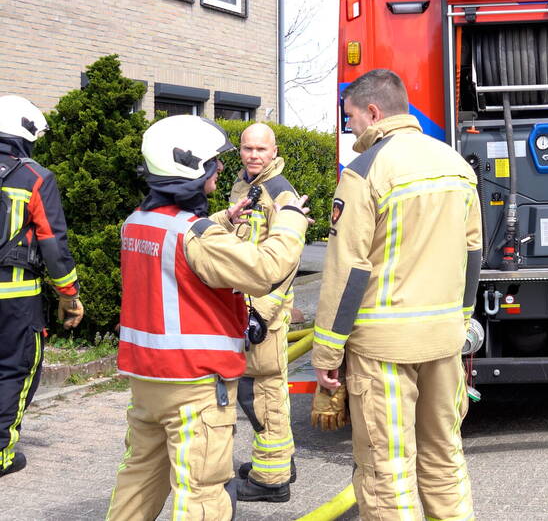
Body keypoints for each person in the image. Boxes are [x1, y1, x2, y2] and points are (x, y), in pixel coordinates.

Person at [106, 115, 310, 520]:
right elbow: (267, 269)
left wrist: (221, 219)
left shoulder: (138, 222)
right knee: (201, 491)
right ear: (191, 169)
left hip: (147, 382)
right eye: (212, 162)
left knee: (139, 480)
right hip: (194, 387)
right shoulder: (197, 237)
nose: (220, 167)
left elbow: (180, 238)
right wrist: (291, 217)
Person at [312, 69, 482, 520]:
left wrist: (327, 353)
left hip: (383, 347)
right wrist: (460, 322)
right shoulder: (456, 165)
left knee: (387, 470)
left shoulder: (364, 172)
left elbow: (347, 269)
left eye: (350, 119)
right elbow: (472, 257)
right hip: (444, 340)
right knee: (445, 456)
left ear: (373, 112)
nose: (349, 130)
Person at [0, 94, 83, 478]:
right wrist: (69, 295)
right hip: (15, 299)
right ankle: (1, 452)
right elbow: (53, 244)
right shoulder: (34, 177)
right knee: (15, 369)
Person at [224, 122, 301, 503]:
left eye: (261, 150)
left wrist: (260, 312)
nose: (253, 155)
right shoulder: (245, 186)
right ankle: (279, 460)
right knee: (261, 391)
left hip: (262, 314)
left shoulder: (278, 192)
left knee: (262, 393)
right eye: (247, 148)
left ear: (274, 152)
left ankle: (271, 480)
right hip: (247, 306)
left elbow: (286, 261)